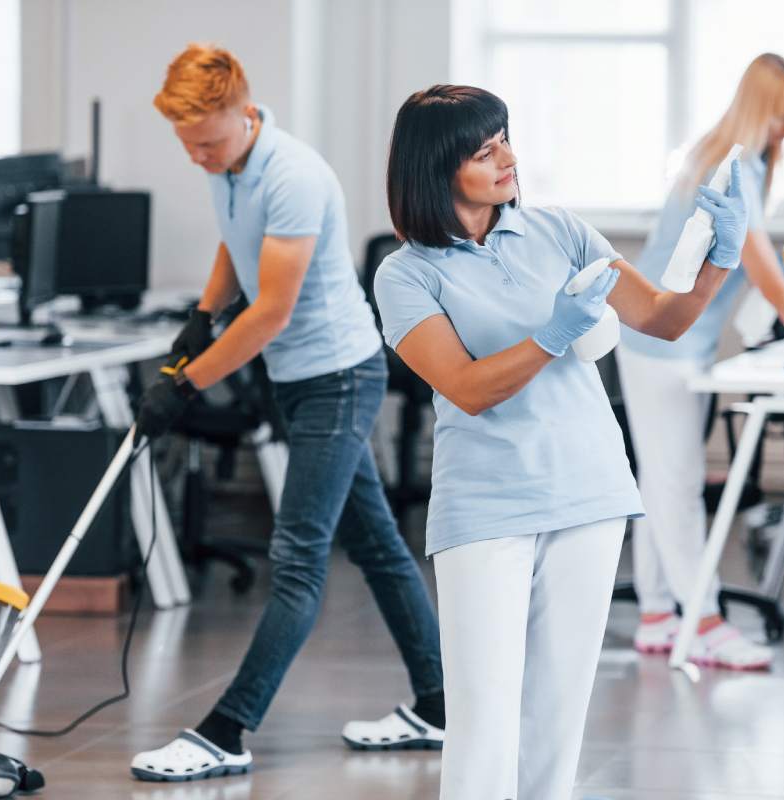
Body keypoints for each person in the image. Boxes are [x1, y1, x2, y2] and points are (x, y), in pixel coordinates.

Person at [373, 84, 749, 800]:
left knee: (558, 717)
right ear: (435, 168)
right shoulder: (407, 274)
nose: (508, 158)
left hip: (589, 493)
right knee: (484, 720)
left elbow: (664, 319)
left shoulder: (561, 231)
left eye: (505, 138)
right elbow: (468, 387)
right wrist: (551, 336)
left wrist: (719, 259)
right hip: (485, 509)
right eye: (485, 151)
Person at [129, 44, 445, 782]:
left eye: (207, 144)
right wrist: (202, 318)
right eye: (188, 148)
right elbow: (234, 240)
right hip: (300, 381)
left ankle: (226, 730)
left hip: (337, 377)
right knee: (378, 549)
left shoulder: (295, 174)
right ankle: (439, 705)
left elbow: (272, 311)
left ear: (245, 113)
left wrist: (183, 385)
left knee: (298, 560)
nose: (199, 160)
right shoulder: (232, 165)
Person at [618, 53, 784, 670]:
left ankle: (660, 616)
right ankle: (706, 622)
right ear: (762, 112)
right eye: (783, 119)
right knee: (678, 486)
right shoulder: (732, 168)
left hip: (664, 341)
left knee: (662, 481)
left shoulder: (731, 160)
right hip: (659, 344)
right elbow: (771, 282)